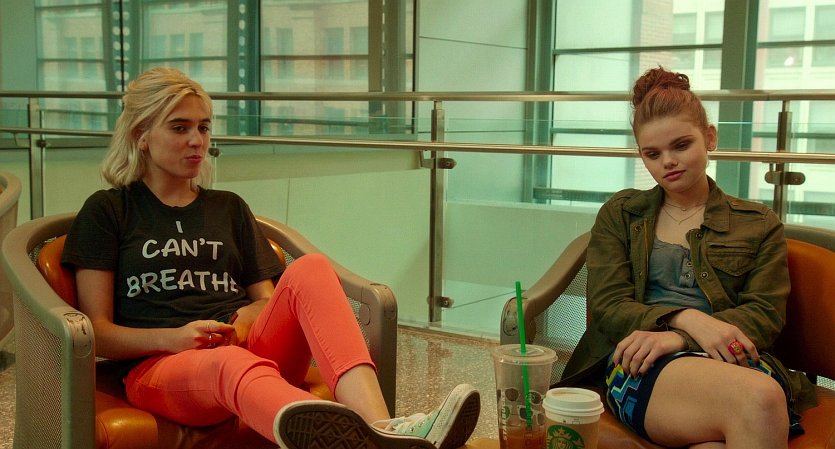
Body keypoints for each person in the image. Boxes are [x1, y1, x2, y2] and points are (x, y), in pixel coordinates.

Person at [61, 66, 481, 449]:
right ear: (141, 135)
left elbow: (265, 299)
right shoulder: (109, 210)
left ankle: (382, 429)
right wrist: (172, 338)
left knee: (311, 267)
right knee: (226, 361)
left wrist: (248, 316)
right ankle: (342, 441)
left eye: (204, 127)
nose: (197, 140)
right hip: (164, 366)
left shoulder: (228, 207)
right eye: (179, 127)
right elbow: (98, 331)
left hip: (247, 346)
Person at [556, 67, 817, 449]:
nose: (668, 162)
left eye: (681, 145)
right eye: (652, 154)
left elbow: (764, 315)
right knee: (760, 401)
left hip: (734, 360)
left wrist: (680, 339)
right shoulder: (622, 213)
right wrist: (685, 319)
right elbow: (608, 306)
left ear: (709, 137)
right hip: (641, 363)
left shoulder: (758, 223)